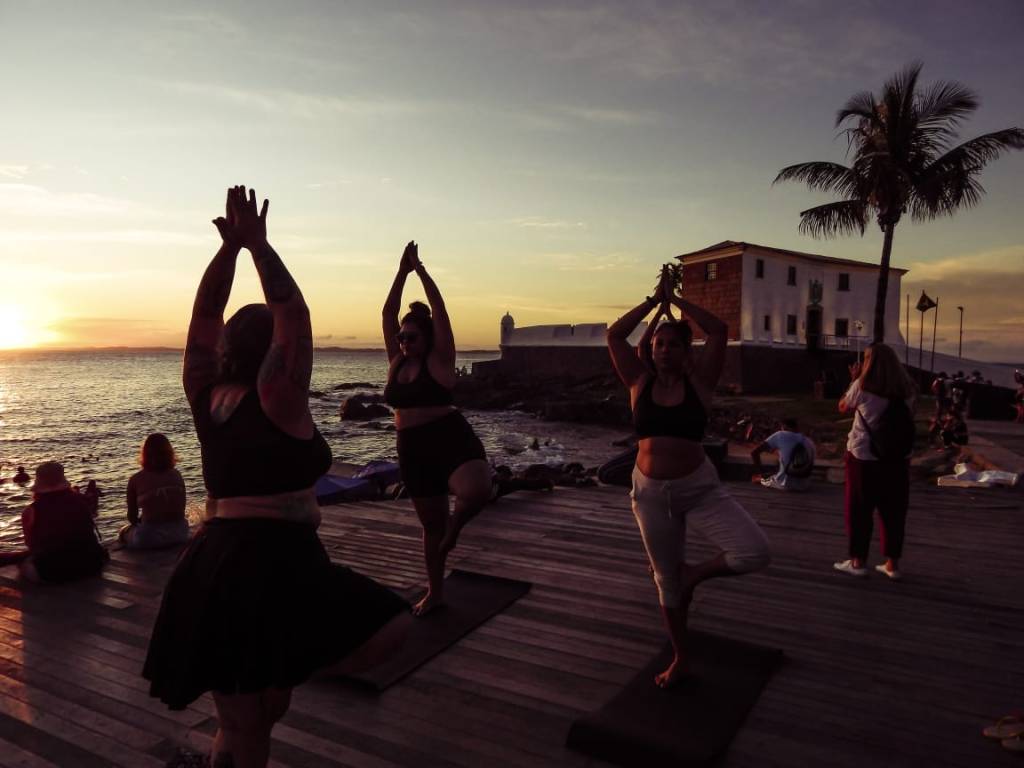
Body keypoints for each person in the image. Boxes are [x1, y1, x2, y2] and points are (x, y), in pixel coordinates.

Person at [143, 186, 408, 768]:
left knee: (254, 717)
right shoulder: (277, 396)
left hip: (226, 562)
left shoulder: (203, 392)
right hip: (264, 567)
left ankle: (283, 663)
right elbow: (296, 315)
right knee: (252, 721)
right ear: (270, 352)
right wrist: (257, 246)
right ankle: (288, 661)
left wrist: (230, 252)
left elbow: (202, 316)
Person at [607, 274, 770, 688]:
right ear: (652, 350)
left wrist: (675, 298)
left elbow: (718, 330)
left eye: (673, 344)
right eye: (659, 344)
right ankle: (680, 655)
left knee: (753, 552)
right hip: (649, 494)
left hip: (700, 488)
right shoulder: (637, 382)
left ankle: (694, 573)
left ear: (684, 351)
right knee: (667, 584)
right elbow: (615, 335)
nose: (665, 350)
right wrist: (652, 302)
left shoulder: (700, 384)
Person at [383, 241, 492, 616]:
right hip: (410, 447)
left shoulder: (441, 359)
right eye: (401, 336)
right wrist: (401, 272)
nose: (403, 341)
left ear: (427, 338)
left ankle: (455, 529)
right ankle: (436, 592)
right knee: (430, 525)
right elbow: (388, 312)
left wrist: (421, 270)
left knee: (477, 490)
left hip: (448, 436)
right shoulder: (396, 360)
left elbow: (441, 310)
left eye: (411, 337)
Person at [835, 343, 917, 581]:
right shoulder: (908, 388)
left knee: (859, 509)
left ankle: (858, 561)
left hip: (863, 457)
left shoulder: (862, 386)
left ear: (869, 361)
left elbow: (842, 407)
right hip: (897, 458)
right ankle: (892, 564)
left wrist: (854, 379)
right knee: (894, 510)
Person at [19, 462, 107, 584]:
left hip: (54, 572)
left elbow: (31, 545)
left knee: (26, 565)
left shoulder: (31, 511)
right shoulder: (81, 501)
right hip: (92, 565)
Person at [118, 433, 190, 550]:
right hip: (180, 534)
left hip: (149, 538)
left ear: (145, 454)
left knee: (124, 532)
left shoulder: (135, 479)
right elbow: (180, 507)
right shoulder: (177, 475)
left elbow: (132, 517)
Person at [750, 417, 816, 491]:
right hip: (804, 486)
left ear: (784, 426)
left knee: (758, 479)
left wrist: (760, 473)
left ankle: (759, 478)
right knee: (773, 474)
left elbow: (754, 453)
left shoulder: (780, 434)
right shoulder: (809, 441)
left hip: (785, 484)